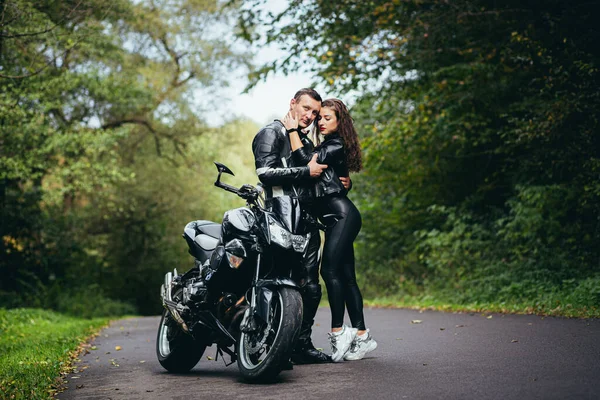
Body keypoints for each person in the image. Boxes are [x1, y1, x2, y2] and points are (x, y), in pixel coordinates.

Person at [252, 88, 343, 364]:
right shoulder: (271, 132)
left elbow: (317, 171)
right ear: (292, 103)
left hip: (306, 221)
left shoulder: (302, 139)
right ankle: (268, 343)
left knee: (311, 286)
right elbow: (264, 173)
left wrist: (339, 181)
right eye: (305, 109)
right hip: (279, 217)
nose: (310, 116)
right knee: (278, 280)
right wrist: (306, 172)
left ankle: (300, 345)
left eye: (315, 113)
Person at [283, 98, 377, 362]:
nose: (320, 121)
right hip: (338, 216)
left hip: (342, 216)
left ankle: (339, 332)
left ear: (339, 122)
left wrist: (291, 132)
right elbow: (339, 178)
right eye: (319, 117)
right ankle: (362, 337)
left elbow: (306, 165)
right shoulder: (329, 145)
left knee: (329, 271)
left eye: (326, 118)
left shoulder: (334, 144)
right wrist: (345, 183)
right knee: (347, 277)